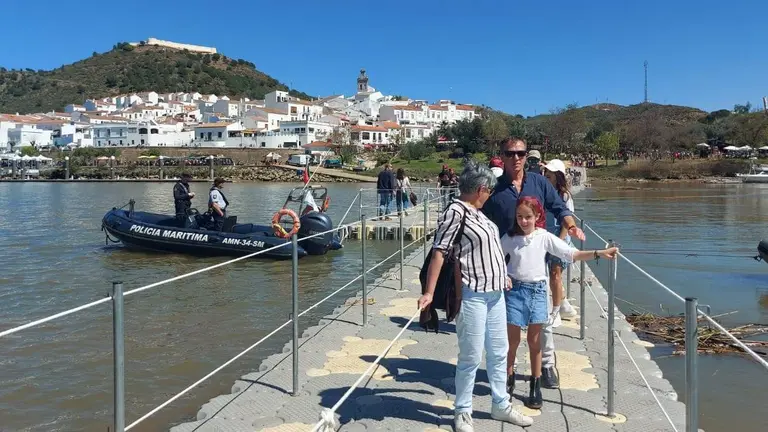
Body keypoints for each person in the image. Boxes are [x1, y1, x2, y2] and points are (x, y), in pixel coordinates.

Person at [418, 161, 533, 432]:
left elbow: (488, 249)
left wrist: (501, 274)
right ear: (481, 189)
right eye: (489, 192)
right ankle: (463, 411)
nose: (490, 196)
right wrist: (428, 293)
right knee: (470, 356)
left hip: (495, 294)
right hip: (472, 294)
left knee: (499, 352)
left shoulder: (479, 213)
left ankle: (500, 405)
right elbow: (439, 251)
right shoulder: (456, 212)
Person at [482, 137, 585, 392]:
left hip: (536, 266)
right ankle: (509, 370)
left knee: (541, 325)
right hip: (503, 265)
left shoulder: (539, 182)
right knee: (508, 326)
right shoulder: (493, 187)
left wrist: (571, 226)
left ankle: (547, 365)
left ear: (526, 156)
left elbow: (559, 208)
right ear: (502, 156)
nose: (516, 158)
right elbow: (479, 217)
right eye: (510, 153)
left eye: (520, 153)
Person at [501, 196, 618, 409]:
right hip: (514, 292)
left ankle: (535, 386)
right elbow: (497, 259)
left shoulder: (544, 237)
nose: (524, 221)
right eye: (520, 217)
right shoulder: (509, 238)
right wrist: (504, 277)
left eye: (528, 217)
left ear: (537, 216)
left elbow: (570, 253)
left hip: (537, 292)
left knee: (535, 342)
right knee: (512, 341)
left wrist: (599, 253)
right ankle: (507, 380)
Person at [542, 159, 578, 321]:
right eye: (545, 174)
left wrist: (558, 242)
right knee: (548, 275)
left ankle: (555, 311)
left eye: (549, 174)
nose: (546, 176)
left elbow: (567, 221)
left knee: (555, 274)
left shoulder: (564, 196)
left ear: (558, 176)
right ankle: (563, 306)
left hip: (559, 240)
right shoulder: (544, 193)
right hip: (546, 238)